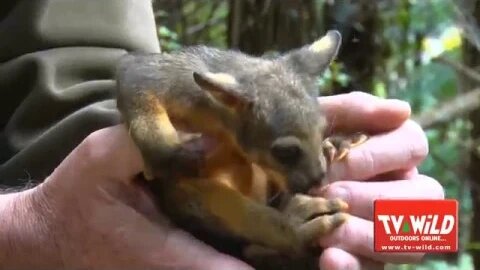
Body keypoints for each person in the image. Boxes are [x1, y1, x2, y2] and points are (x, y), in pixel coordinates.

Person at [0, 1, 444, 270]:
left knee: (418, 228)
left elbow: (69, 95)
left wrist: (423, 230)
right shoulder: (188, 90)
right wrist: (30, 231)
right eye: (290, 154)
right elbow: (134, 79)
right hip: (201, 198)